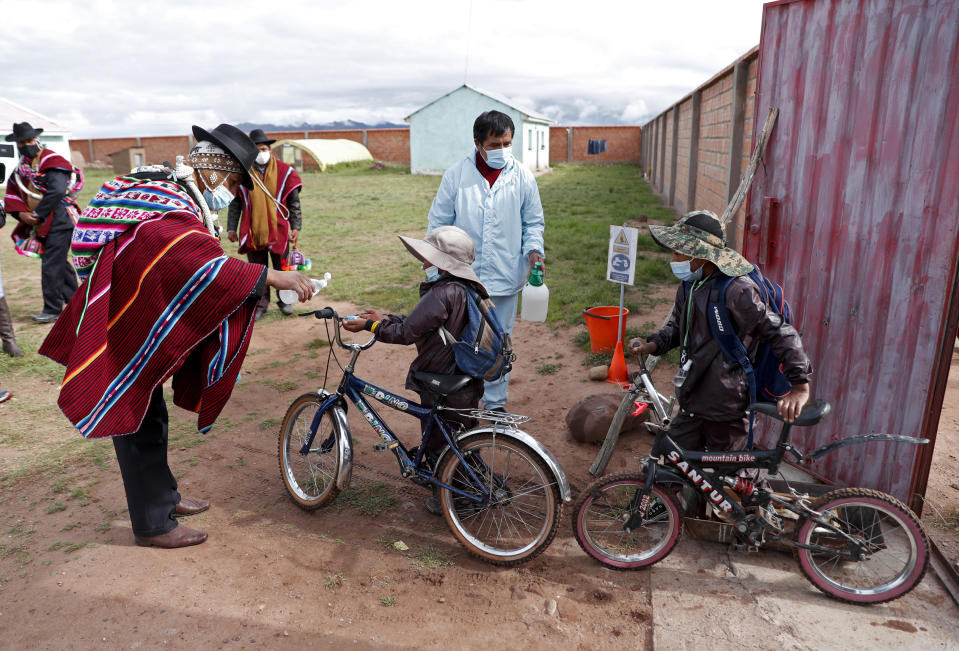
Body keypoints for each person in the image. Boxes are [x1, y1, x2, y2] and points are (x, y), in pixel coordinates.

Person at [38, 124, 314, 549]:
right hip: (124, 322)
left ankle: (165, 497)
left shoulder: (170, 188)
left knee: (152, 412)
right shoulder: (170, 201)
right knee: (135, 415)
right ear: (216, 169)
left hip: (130, 311)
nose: (233, 191)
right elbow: (191, 260)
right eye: (235, 181)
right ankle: (153, 524)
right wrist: (272, 276)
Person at [629, 210, 812, 454]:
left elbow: (781, 333)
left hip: (727, 408)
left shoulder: (737, 291)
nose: (673, 260)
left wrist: (800, 386)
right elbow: (678, 326)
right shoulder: (691, 285)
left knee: (730, 481)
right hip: (693, 398)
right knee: (677, 463)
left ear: (701, 254)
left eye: (677, 252)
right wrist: (653, 344)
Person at [342, 226, 487, 514]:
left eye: (428, 258)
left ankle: (454, 498)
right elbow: (423, 324)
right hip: (464, 378)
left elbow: (407, 333)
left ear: (441, 263)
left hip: (442, 377)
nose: (423, 264)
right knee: (461, 436)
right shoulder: (463, 288)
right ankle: (471, 484)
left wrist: (370, 326)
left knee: (440, 440)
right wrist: (385, 319)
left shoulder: (442, 292)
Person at [427, 110, 545, 412]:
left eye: (507, 143)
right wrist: (432, 270)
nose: (502, 150)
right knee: (460, 341)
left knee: (499, 342)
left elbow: (533, 223)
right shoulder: (456, 176)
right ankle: (462, 404)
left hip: (505, 278)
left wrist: (534, 251)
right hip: (462, 279)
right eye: (494, 144)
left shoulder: (523, 177)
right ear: (477, 143)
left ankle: (494, 406)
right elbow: (438, 225)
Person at [3, 121, 80, 323]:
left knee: (51, 265)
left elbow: (57, 190)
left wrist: (38, 214)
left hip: (60, 220)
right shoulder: (23, 168)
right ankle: (77, 303)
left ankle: (52, 309)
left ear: (36, 140)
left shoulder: (53, 161)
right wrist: (22, 215)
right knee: (59, 265)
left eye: (28, 141)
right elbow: (12, 193)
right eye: (21, 142)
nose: (25, 145)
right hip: (42, 222)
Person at [226, 128, 303, 319]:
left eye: (263, 148)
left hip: (279, 229)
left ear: (269, 149)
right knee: (258, 271)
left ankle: (285, 301)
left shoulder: (286, 172)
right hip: (252, 230)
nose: (261, 153)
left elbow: (294, 203)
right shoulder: (243, 175)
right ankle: (261, 304)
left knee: (282, 267)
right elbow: (235, 204)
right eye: (257, 150)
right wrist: (231, 228)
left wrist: (296, 226)